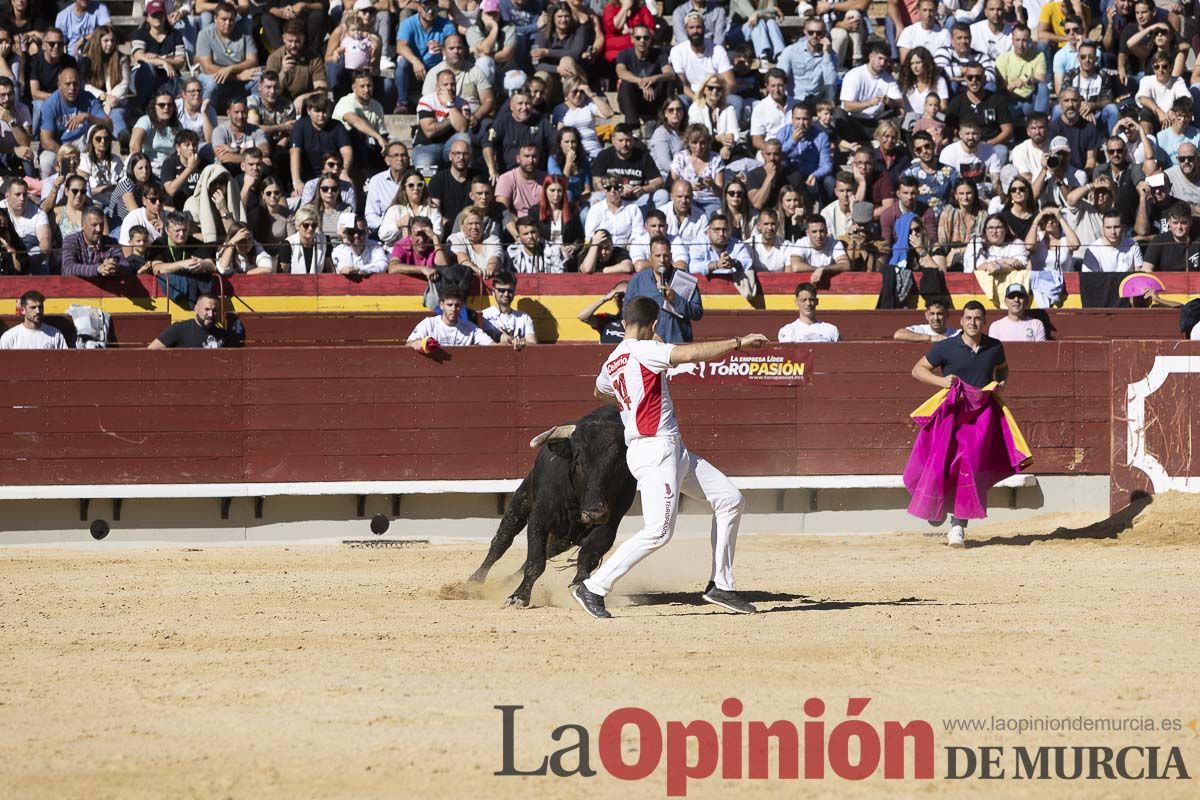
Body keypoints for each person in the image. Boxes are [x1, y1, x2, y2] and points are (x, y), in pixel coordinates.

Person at [572, 294, 768, 619]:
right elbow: (690, 353)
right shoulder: (646, 349)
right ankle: (593, 587)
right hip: (655, 450)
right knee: (658, 531)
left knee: (730, 500)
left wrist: (628, 400)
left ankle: (721, 584)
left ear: (624, 323)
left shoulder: (613, 360)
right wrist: (738, 342)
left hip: (672, 451)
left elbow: (599, 390)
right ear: (653, 325)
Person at [908, 300, 1023, 548]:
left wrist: (1001, 383)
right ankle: (935, 508)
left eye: (977, 318)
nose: (973, 323)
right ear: (961, 322)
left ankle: (958, 526)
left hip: (980, 418)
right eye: (968, 318)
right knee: (941, 465)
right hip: (950, 416)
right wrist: (942, 382)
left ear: (984, 321)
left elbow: (1002, 369)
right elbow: (918, 370)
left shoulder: (994, 347)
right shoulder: (947, 347)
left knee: (968, 466)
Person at [623, 235, 702, 343]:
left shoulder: (684, 279)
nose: (662, 260)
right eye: (657, 256)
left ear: (671, 256)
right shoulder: (638, 280)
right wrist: (649, 333)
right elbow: (627, 313)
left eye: (665, 256)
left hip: (678, 345)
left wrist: (675, 299)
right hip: (648, 345)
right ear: (650, 258)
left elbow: (697, 313)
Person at [38, 67, 109, 180]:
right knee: (46, 160)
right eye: (68, 84)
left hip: (82, 143)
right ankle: (47, 191)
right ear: (59, 85)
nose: (72, 88)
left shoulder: (88, 99)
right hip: (59, 145)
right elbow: (46, 141)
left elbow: (109, 124)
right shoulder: (50, 103)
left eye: (75, 84)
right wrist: (66, 153)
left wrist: (88, 116)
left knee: (94, 138)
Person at [194, 3, 260, 114]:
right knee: (211, 83)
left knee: (259, 77)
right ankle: (206, 116)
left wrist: (231, 68)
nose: (228, 23)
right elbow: (207, 67)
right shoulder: (205, 34)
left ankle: (254, 115)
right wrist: (237, 77)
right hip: (215, 76)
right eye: (224, 19)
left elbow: (253, 60)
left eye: (231, 20)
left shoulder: (244, 34)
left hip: (236, 75)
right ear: (215, 18)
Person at [614, 23, 673, 128]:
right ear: (632, 39)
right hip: (632, 101)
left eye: (646, 38)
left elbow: (670, 73)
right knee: (626, 83)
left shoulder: (659, 54)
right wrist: (642, 82)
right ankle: (632, 126)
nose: (642, 41)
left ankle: (666, 121)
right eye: (638, 38)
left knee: (666, 81)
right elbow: (621, 72)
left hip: (652, 99)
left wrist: (653, 79)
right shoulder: (625, 54)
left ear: (650, 39)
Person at [777, 16, 837, 106]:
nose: (814, 36)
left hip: (817, 102)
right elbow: (780, 76)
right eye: (811, 32)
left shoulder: (831, 55)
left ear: (824, 33)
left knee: (831, 88)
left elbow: (831, 81)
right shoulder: (791, 51)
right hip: (795, 100)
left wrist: (827, 55)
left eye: (819, 33)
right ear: (805, 32)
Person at [406, 288, 492, 348]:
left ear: (462, 305)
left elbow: (492, 345)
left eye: (457, 305)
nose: (453, 309)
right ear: (441, 305)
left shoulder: (471, 329)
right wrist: (420, 344)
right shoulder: (429, 324)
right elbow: (409, 344)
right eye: (449, 305)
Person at [60, 204, 126, 276]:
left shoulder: (111, 242)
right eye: (94, 225)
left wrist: (114, 266)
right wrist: (98, 269)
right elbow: (68, 268)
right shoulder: (70, 241)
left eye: (101, 225)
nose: (99, 229)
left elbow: (126, 266)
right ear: (83, 225)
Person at [148, 293, 230, 349]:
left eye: (214, 310)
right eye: (207, 309)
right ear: (196, 309)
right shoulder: (179, 329)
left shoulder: (222, 335)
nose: (211, 314)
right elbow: (150, 352)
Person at [481, 270, 536, 347]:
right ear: (493, 291)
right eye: (501, 290)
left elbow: (533, 345)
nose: (506, 294)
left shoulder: (524, 317)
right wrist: (519, 341)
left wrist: (521, 343)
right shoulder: (484, 316)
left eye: (510, 291)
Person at [0, 290, 68, 349]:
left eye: (40, 307)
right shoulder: (9, 337)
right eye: (33, 307)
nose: (38, 311)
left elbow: (65, 361)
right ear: (23, 310)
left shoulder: (56, 334)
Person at [893, 298, 960, 342]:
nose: (936, 318)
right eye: (932, 314)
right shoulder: (921, 330)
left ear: (947, 315)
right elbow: (898, 334)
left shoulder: (956, 333)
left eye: (939, 314)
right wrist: (930, 338)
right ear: (926, 315)